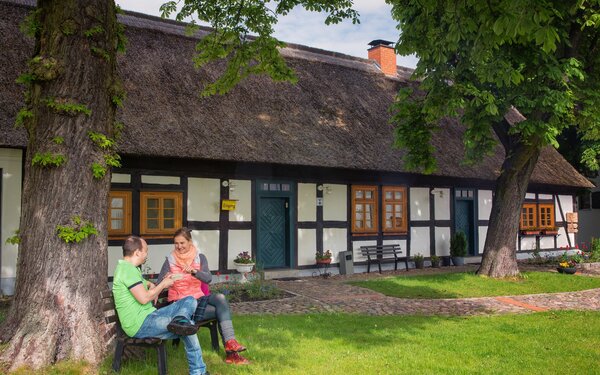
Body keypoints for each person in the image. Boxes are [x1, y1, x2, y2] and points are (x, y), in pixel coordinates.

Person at [113, 235, 210, 375]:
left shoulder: (129, 269)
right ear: (137, 252)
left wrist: (149, 283)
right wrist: (163, 284)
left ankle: (179, 319)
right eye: (146, 251)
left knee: (190, 300)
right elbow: (144, 298)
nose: (147, 254)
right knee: (187, 325)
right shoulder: (127, 270)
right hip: (139, 324)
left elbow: (138, 284)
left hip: (150, 315)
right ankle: (198, 372)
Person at [157, 227, 250, 365]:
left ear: (190, 242)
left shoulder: (200, 257)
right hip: (181, 304)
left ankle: (231, 342)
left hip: (198, 297)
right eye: (176, 243)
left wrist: (195, 272)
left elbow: (208, 279)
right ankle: (232, 354)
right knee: (219, 311)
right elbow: (159, 283)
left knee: (220, 298)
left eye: (182, 243)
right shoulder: (170, 260)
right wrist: (165, 280)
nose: (179, 246)